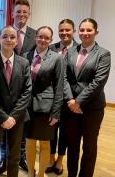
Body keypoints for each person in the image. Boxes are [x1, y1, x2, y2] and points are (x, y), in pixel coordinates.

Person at [64, 18, 111, 177]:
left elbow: (98, 82)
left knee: (89, 147)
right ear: (78, 31)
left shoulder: (104, 54)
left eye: (89, 30)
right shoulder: (70, 51)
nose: (85, 33)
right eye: (82, 30)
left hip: (92, 109)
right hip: (71, 108)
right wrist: (71, 100)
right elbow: (64, 78)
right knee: (73, 145)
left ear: (96, 32)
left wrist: (78, 101)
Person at [0, 26, 32, 177]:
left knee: (14, 154)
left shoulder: (24, 63)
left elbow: (27, 91)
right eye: (5, 36)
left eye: (12, 37)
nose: (9, 40)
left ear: (17, 41)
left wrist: (13, 116)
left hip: (17, 117)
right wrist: (3, 117)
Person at [0, 0, 36, 174]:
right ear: (12, 13)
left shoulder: (35, 35)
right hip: (3, 89)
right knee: (3, 135)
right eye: (18, 11)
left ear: (29, 14)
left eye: (24, 11)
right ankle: (4, 160)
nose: (21, 14)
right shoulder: (0, 33)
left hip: (23, 90)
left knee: (20, 134)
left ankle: (21, 159)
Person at [24, 26, 64, 177]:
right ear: (36, 37)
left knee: (45, 142)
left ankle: (40, 174)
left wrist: (56, 111)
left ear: (51, 40)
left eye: (47, 38)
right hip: (27, 106)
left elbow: (59, 85)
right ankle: (30, 173)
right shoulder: (25, 55)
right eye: (40, 36)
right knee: (29, 141)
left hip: (46, 107)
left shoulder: (57, 58)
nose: (43, 40)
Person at [46, 19, 78, 175]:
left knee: (65, 131)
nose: (64, 33)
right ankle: (50, 157)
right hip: (52, 97)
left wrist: (71, 97)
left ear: (74, 31)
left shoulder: (80, 49)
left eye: (68, 30)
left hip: (70, 99)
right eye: (61, 30)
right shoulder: (51, 48)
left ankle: (60, 159)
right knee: (52, 129)